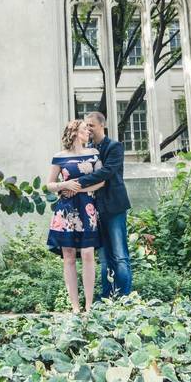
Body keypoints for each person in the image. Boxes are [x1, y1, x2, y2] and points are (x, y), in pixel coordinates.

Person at [65, 111, 133, 298]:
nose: (88, 129)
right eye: (86, 126)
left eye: (91, 126)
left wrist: (77, 184)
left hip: (114, 206)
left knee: (119, 255)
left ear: (102, 126)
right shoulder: (87, 151)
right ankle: (106, 298)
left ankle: (125, 299)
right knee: (104, 258)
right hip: (94, 209)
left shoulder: (114, 147)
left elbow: (106, 173)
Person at [45, 119, 105, 313]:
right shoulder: (59, 157)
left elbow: (101, 182)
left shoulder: (93, 154)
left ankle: (89, 306)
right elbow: (50, 184)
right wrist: (64, 185)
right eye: (83, 129)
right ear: (74, 133)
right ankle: (75, 308)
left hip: (87, 207)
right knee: (68, 256)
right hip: (66, 210)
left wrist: (77, 189)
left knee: (88, 254)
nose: (88, 131)